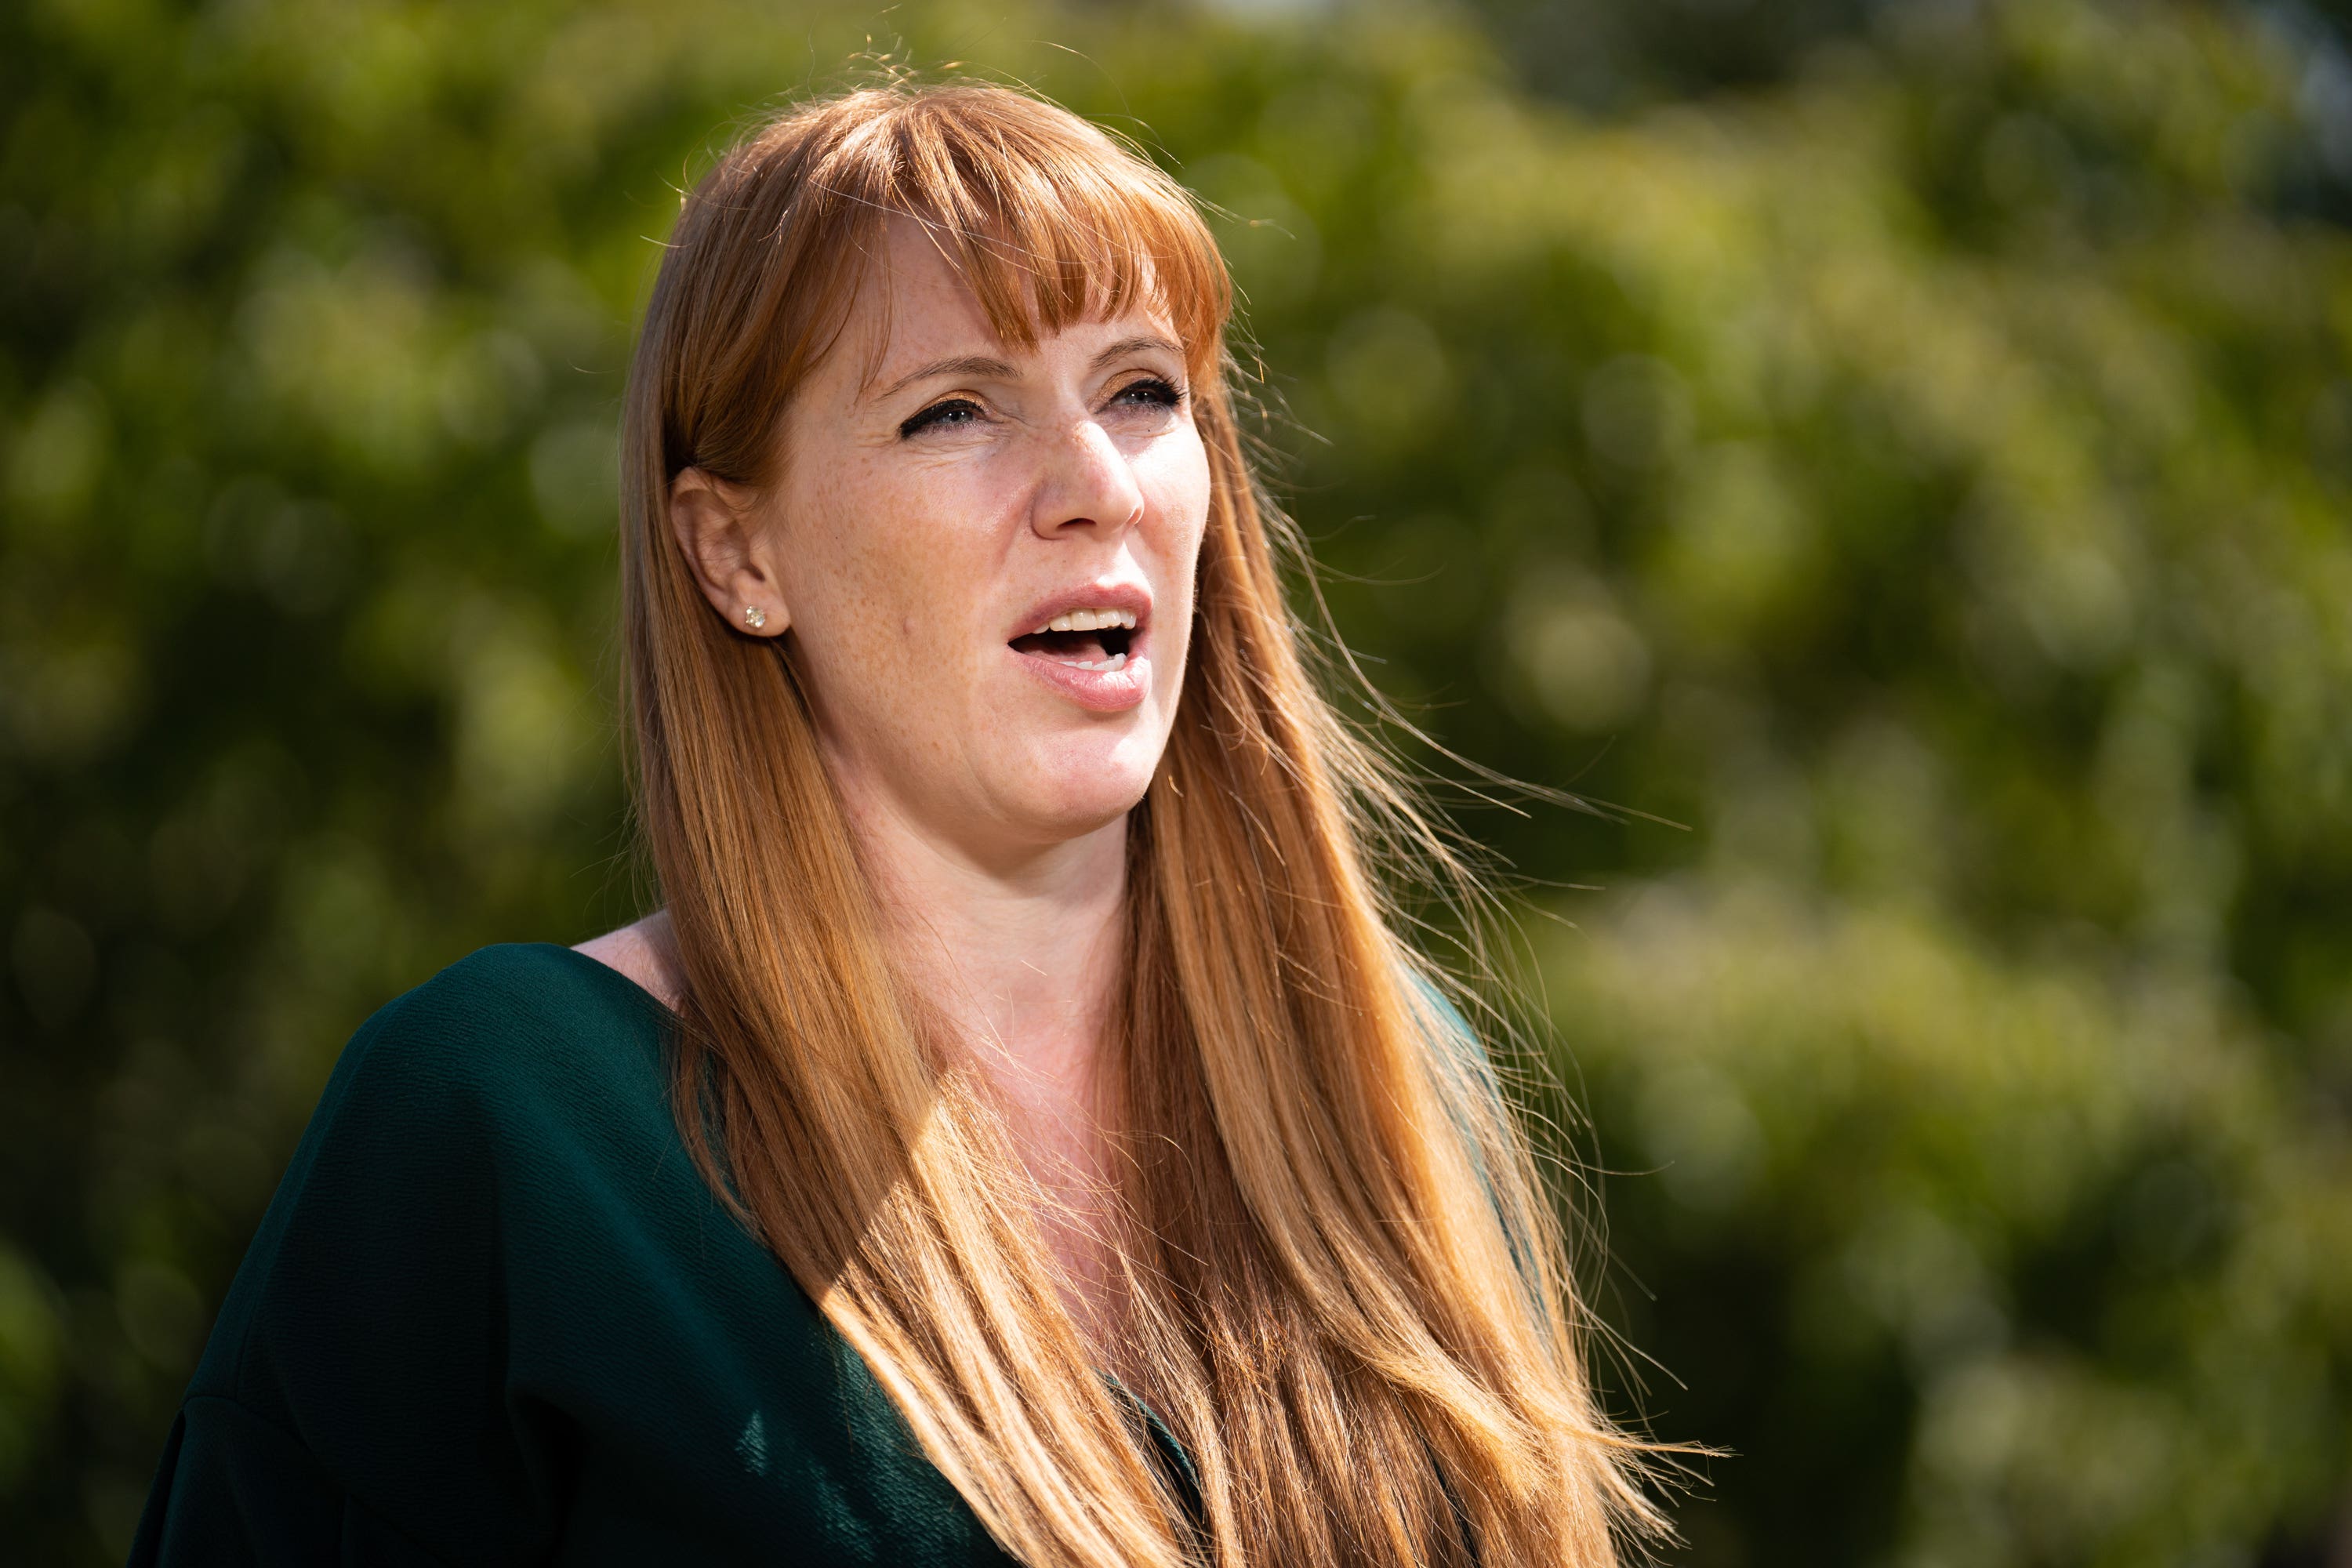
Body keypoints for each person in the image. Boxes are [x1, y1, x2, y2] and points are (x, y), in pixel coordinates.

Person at [129, 81, 1660, 1566]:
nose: (1093, 486)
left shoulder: (1405, 1080)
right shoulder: (505, 1127)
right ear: (736, 553)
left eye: (1141, 389)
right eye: (953, 412)